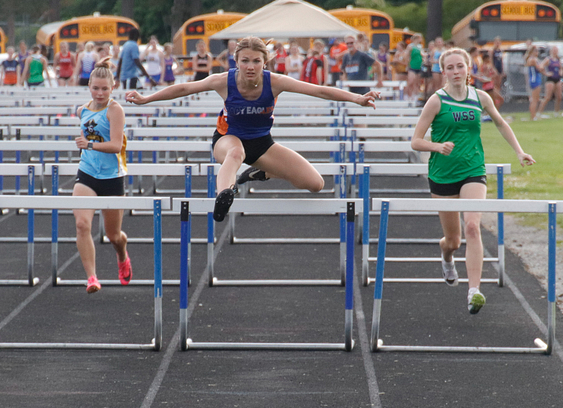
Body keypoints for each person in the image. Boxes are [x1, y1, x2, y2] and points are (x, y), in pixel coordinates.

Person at [125, 36, 380, 222]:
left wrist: (357, 98)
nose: (250, 66)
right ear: (236, 61)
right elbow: (183, 88)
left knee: (316, 183)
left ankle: (262, 172)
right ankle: (224, 195)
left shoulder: (276, 82)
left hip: (261, 143)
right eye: (245, 61)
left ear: (264, 62)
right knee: (236, 154)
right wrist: (147, 99)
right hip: (227, 138)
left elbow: (320, 91)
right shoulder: (223, 81)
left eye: (256, 61)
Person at [410, 47, 535, 315]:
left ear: (469, 69)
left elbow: (500, 123)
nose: (456, 71)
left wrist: (519, 151)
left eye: (460, 66)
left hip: (473, 170)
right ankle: (446, 256)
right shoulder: (436, 101)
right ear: (443, 72)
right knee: (453, 241)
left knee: (472, 226)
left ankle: (474, 291)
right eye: (450, 67)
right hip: (442, 175)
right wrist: (437, 146)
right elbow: (415, 141)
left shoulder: (480, 97)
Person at [73, 57, 132, 293]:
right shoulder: (82, 110)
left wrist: (89, 145)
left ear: (113, 87)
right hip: (87, 173)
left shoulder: (115, 110)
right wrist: (86, 147)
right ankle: (92, 278)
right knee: (81, 224)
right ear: (89, 86)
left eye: (105, 89)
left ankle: (122, 254)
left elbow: (116, 145)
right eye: (96, 88)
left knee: (113, 235)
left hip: (112, 177)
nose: (100, 93)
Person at [537, 45, 561, 117]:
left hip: (558, 79)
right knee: (548, 97)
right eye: (554, 50)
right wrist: (546, 73)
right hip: (550, 79)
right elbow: (541, 66)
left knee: (559, 97)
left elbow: (560, 68)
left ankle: (556, 112)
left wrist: (561, 72)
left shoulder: (558, 59)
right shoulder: (548, 59)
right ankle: (539, 112)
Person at [525, 45, 543, 120]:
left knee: (536, 98)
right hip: (534, 80)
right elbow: (539, 68)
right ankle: (533, 116)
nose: (537, 52)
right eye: (536, 51)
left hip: (537, 79)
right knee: (534, 99)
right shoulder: (532, 60)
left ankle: (534, 115)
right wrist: (545, 63)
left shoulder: (535, 59)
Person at [405, 33, 424, 101]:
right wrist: (407, 64)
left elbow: (422, 54)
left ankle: (415, 96)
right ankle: (408, 95)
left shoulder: (420, 46)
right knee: (411, 81)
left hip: (419, 65)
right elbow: (407, 55)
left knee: (417, 82)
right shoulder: (410, 46)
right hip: (412, 65)